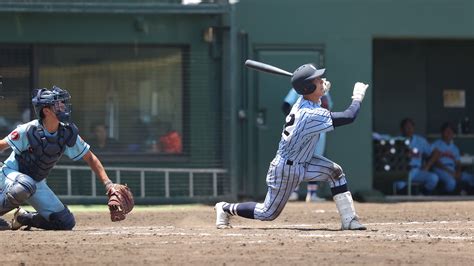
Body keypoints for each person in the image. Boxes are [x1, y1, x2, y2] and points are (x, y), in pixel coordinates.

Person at [215, 63, 369, 230]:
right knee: (267, 213)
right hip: (286, 168)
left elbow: (315, 95)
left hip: (305, 160)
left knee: (335, 172)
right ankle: (224, 208)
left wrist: (320, 86)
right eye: (317, 80)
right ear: (308, 87)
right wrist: (357, 97)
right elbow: (349, 116)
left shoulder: (307, 100)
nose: (322, 80)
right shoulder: (309, 114)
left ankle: (350, 220)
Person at [0, 86, 127, 230]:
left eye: (62, 102)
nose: (62, 106)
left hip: (35, 182)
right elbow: (2, 145)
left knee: (64, 222)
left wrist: (109, 184)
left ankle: (24, 217)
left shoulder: (66, 133)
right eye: (57, 103)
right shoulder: (28, 130)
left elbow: (90, 158)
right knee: (25, 185)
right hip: (9, 174)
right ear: (46, 111)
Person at [282, 84, 333, 202]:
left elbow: (328, 108)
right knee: (297, 160)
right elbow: (285, 105)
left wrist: (323, 92)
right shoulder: (298, 89)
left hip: (319, 130)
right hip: (302, 130)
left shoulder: (324, 89)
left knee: (315, 159)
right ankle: (293, 192)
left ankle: (312, 193)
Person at [397, 118, 440, 195]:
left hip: (417, 170)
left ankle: (421, 195)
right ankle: (411, 197)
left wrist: (427, 166)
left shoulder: (420, 140)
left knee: (433, 178)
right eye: (407, 127)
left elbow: (436, 152)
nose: (409, 129)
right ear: (402, 129)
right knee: (399, 184)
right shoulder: (397, 140)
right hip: (403, 171)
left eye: (411, 127)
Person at [431, 122, 474, 194]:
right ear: (442, 133)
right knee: (451, 182)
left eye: (451, 131)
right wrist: (450, 172)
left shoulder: (455, 148)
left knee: (471, 178)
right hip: (440, 169)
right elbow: (435, 162)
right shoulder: (436, 144)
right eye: (446, 131)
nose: (449, 133)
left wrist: (458, 172)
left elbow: (458, 163)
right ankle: (447, 198)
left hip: (452, 169)